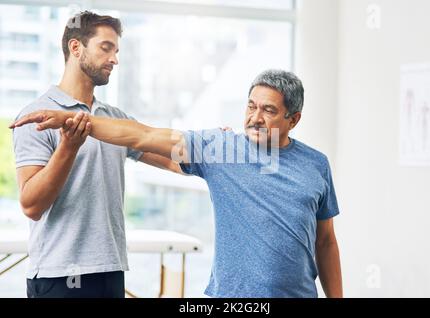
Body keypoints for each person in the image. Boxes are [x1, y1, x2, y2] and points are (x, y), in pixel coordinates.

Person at [11, 69, 343, 298]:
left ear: (293, 119)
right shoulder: (223, 149)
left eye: (268, 110)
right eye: (251, 106)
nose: (255, 118)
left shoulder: (316, 164)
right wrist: (73, 119)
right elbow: (140, 134)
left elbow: (325, 242)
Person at [11, 11, 178, 298]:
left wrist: (219, 146)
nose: (115, 59)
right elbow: (31, 205)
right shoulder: (36, 116)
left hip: (110, 270)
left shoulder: (113, 118)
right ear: (76, 48)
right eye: (106, 48)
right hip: (58, 275)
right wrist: (68, 147)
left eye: (116, 51)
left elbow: (173, 159)